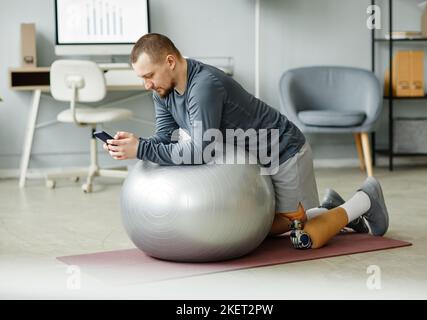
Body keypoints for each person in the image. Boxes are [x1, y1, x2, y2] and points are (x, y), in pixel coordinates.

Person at [104, 33, 389, 249]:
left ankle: (364, 199)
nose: (147, 85)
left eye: (150, 76)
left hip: (283, 152)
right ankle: (325, 206)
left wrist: (141, 149)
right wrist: (136, 144)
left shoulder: (203, 87)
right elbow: (164, 137)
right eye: (142, 78)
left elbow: (199, 151)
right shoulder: (162, 92)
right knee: (253, 231)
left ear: (170, 61)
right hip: (252, 164)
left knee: (303, 237)